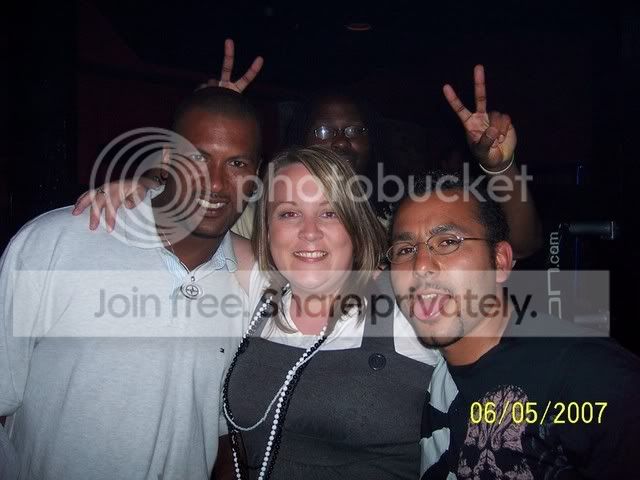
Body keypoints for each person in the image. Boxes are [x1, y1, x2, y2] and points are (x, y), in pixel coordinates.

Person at [0, 86, 261, 479]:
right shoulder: (55, 242)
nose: (217, 183)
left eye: (237, 163)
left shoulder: (251, 287)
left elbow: (225, 434)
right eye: (197, 157)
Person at [77, 53, 541, 260]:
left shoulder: (394, 220)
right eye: (322, 130)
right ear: (299, 140)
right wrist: (206, 126)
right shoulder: (258, 210)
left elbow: (519, 245)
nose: (339, 142)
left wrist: (499, 166)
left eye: (354, 131)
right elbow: (199, 202)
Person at [387, 173, 640, 478]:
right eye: (405, 250)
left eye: (448, 242)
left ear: (501, 262)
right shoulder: (422, 371)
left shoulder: (586, 373)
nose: (420, 265)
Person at [216, 146, 440, 479]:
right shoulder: (262, 290)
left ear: (355, 225)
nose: (310, 232)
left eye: (329, 213)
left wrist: (500, 169)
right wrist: (148, 192)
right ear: (267, 228)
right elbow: (197, 226)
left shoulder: (403, 303)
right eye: (289, 213)